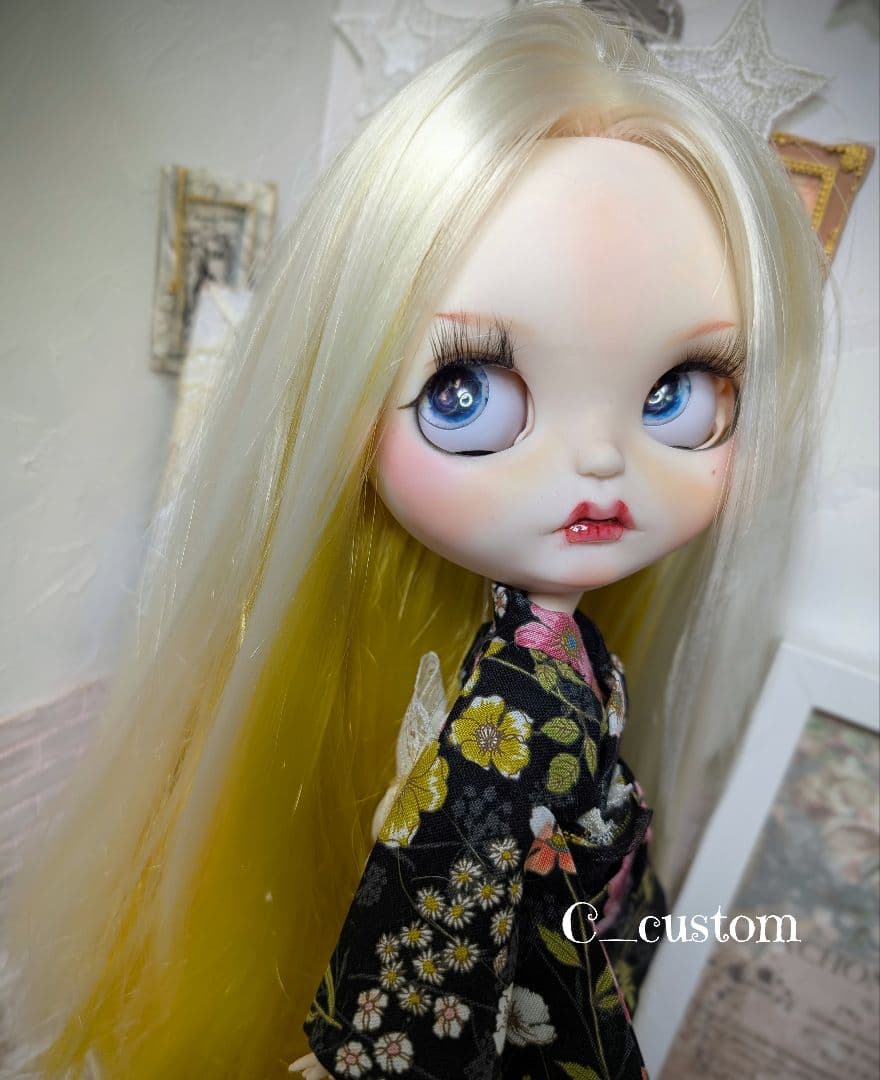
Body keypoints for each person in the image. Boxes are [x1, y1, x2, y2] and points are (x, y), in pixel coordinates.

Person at [2, 4, 824, 1078]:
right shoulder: (508, 712)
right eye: (467, 391)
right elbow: (423, 955)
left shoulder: (559, 662)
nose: (599, 462)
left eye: (678, 392)